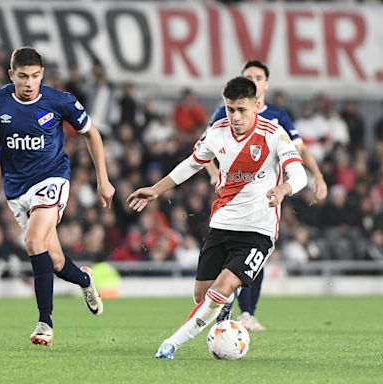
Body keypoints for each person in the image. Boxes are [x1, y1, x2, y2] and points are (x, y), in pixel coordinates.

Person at [127, 77, 307, 359]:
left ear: (257, 105)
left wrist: (284, 188)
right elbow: (191, 164)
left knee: (221, 288)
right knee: (202, 295)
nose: (235, 116)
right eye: (229, 109)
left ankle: (171, 344)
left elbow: (299, 174)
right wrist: (155, 190)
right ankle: (225, 302)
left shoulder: (274, 133)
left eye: (242, 110)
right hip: (222, 224)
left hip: (258, 231)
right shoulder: (217, 132)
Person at [0, 47, 115, 347]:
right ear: (12, 75)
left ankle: (45, 322)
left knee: (33, 242)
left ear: (42, 75)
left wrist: (103, 179)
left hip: (52, 179)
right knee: (57, 261)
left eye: (35, 76)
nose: (29, 82)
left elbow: (91, 134)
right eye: (23, 76)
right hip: (16, 189)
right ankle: (85, 280)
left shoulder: (59, 100)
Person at [207, 60, 328, 330]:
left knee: (257, 252)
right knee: (228, 248)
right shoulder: (225, 113)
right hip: (233, 194)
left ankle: (247, 312)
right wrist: (215, 175)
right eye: (249, 76)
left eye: (259, 77)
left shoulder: (278, 116)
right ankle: (224, 300)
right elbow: (203, 150)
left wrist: (317, 175)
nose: (255, 80)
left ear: (266, 83)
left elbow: (299, 149)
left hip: (267, 195)